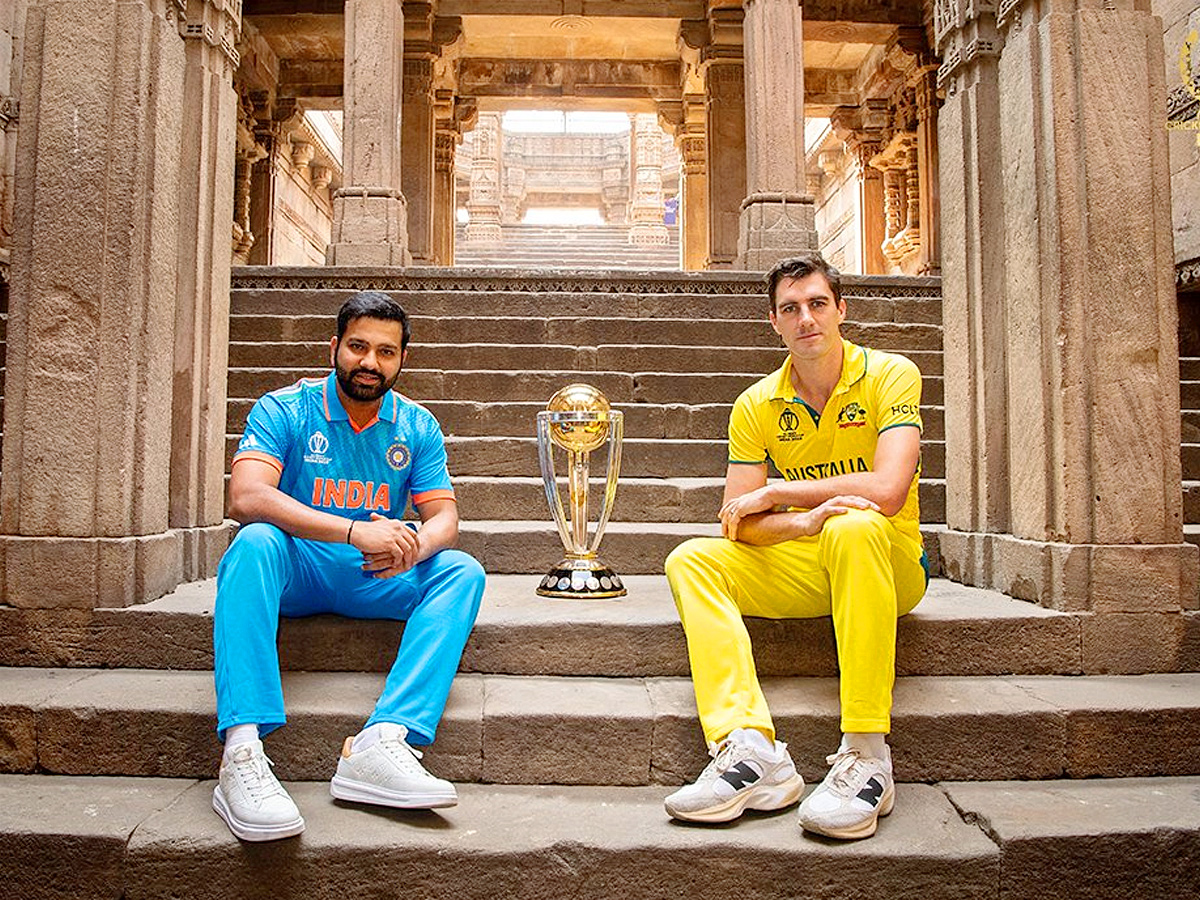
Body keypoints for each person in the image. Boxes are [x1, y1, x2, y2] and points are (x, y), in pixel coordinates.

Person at [662, 252, 926, 840]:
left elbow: (886, 490)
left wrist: (785, 491)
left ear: (841, 310)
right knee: (691, 559)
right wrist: (806, 523)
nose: (806, 318)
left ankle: (867, 754)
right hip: (814, 559)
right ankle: (752, 751)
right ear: (774, 322)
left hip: (891, 564)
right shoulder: (756, 405)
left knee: (854, 524)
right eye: (790, 308)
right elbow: (740, 522)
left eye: (817, 304)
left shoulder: (892, 373)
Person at [211, 290, 486, 842]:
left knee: (461, 570)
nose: (370, 362)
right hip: (298, 565)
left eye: (386, 352)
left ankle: (383, 740)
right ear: (334, 346)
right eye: (358, 346)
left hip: (375, 572)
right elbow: (246, 495)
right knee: (253, 542)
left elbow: (443, 517)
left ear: (401, 359)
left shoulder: (416, 425)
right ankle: (241, 750)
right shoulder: (284, 408)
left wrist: (416, 543)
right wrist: (355, 529)